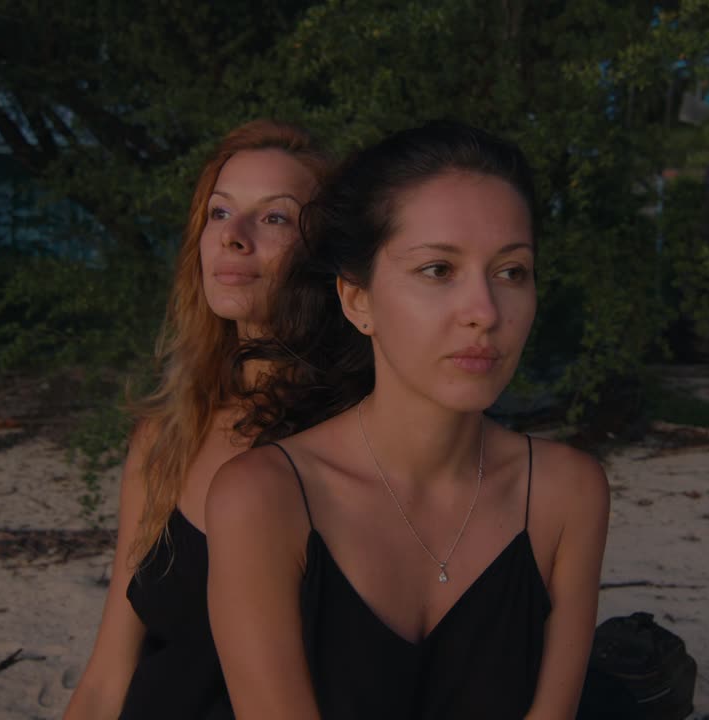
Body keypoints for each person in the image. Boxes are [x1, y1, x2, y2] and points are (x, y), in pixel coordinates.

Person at [206, 121, 610, 719]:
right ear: (356, 300)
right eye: (438, 270)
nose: (484, 312)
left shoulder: (567, 494)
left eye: (511, 272)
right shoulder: (265, 498)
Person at [63, 119, 332, 720]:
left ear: (328, 251)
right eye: (218, 213)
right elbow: (110, 674)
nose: (233, 237)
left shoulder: (359, 442)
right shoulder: (167, 437)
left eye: (275, 217)